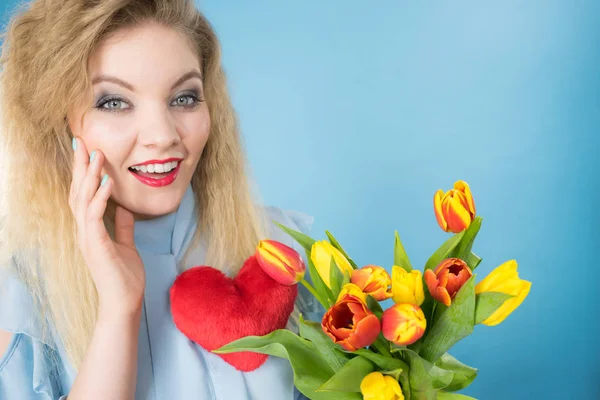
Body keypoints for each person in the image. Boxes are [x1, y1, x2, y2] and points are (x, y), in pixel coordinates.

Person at [0, 0, 318, 398]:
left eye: (183, 97)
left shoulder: (280, 253)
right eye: (114, 102)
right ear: (59, 122)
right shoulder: (23, 301)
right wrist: (118, 311)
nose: (162, 134)